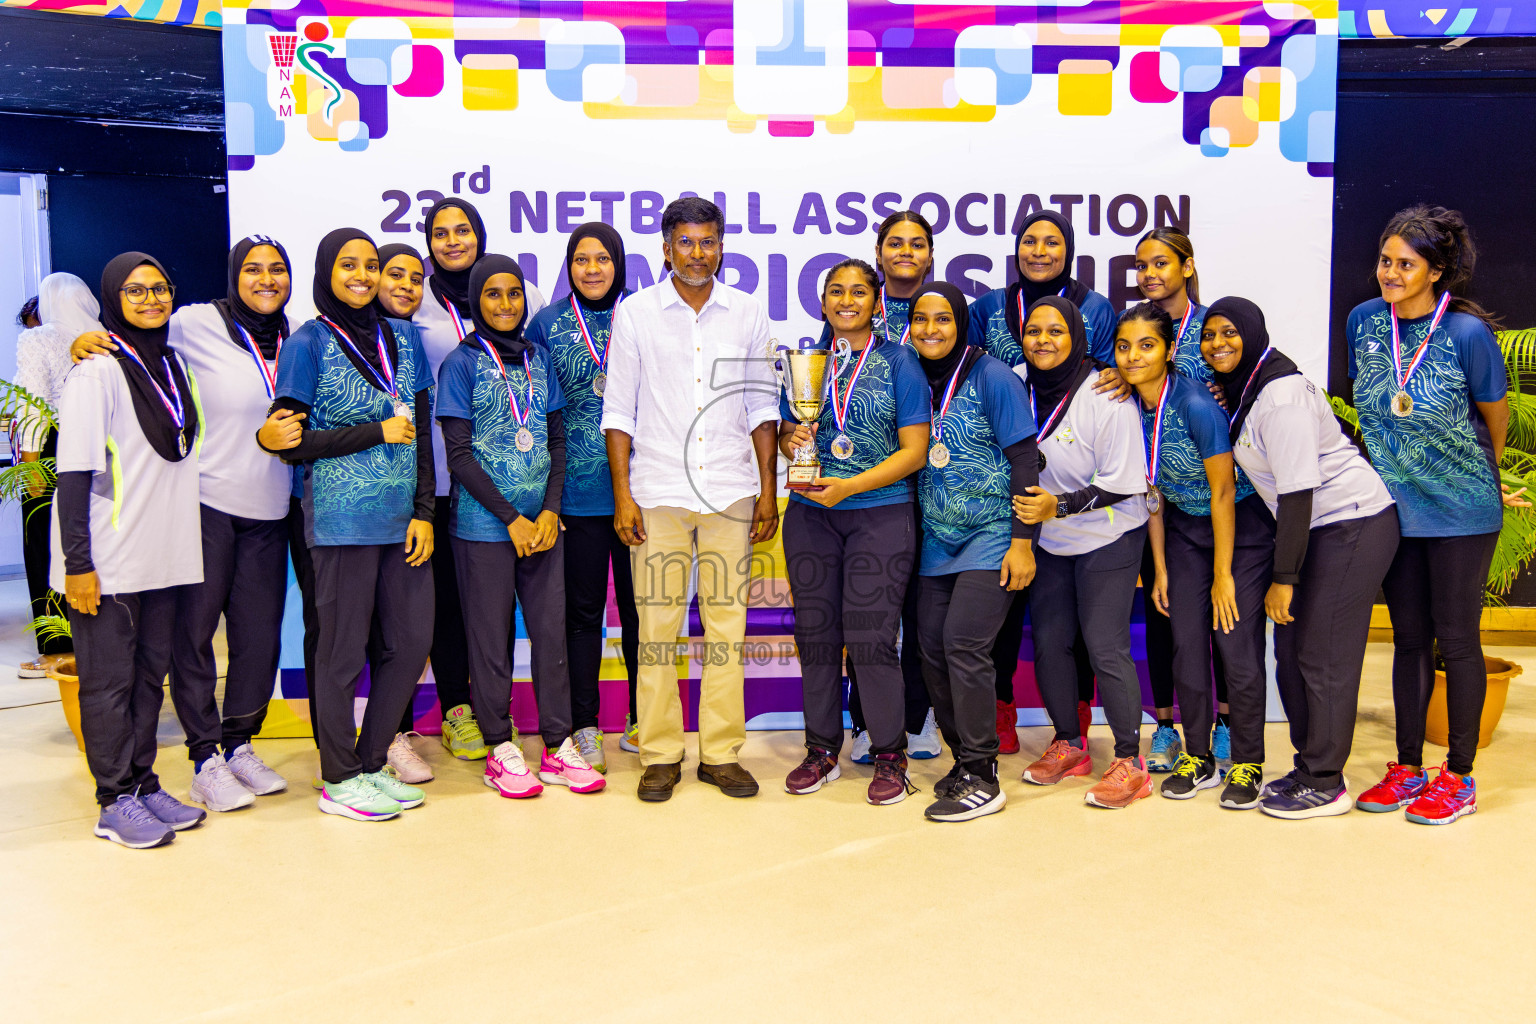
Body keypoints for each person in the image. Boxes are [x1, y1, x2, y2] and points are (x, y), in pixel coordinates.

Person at [601, 196, 780, 803]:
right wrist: (624, 497)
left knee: (727, 629)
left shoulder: (748, 313)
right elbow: (618, 411)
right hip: (658, 493)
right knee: (656, 631)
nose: (698, 254)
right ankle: (659, 755)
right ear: (667, 247)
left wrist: (767, 491)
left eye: (708, 242)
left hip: (731, 488)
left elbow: (762, 406)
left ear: (721, 246)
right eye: (686, 243)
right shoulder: (636, 314)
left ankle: (722, 754)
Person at [1348, 206, 1520, 825]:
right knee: (1408, 641)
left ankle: (1460, 776)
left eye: (1405, 264)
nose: (1389, 273)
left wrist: (1482, 474)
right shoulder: (1364, 322)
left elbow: (1492, 414)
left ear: (1437, 271)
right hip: (1393, 509)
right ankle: (1407, 767)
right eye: (1385, 261)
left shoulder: (1467, 335)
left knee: (1458, 641)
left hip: (1461, 513)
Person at [1200, 297, 1399, 820]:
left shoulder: (1281, 395)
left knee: (1321, 654)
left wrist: (1282, 578)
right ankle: (1310, 764)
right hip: (1320, 529)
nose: (1219, 343)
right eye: (1209, 335)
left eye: (1229, 333)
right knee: (1291, 652)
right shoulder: (1254, 388)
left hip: (1351, 524)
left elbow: (1298, 493)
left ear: (1253, 333)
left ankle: (1328, 781)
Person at [265, 227, 435, 821]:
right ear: (326, 272)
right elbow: (289, 442)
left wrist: (424, 510)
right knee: (340, 655)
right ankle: (338, 777)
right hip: (339, 523)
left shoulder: (404, 339)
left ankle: (367, 762)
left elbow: (421, 437)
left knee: (412, 640)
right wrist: (373, 432)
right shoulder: (307, 343)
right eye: (348, 265)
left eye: (370, 265)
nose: (361, 275)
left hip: (402, 522)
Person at [54, 253, 206, 848]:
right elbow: (73, 473)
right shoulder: (97, 371)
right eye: (136, 291)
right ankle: (112, 798)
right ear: (114, 297)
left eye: (160, 289)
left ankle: (142, 782)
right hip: (109, 559)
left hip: (164, 554)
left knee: (148, 679)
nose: (150, 300)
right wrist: (77, 565)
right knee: (108, 683)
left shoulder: (174, 364)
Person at [439, 254, 603, 798]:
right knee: (490, 639)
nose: (506, 304)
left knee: (551, 633)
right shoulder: (461, 364)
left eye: (514, 294)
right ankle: (498, 747)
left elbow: (557, 441)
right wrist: (510, 518)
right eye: (493, 295)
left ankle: (558, 747)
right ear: (476, 301)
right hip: (485, 528)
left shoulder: (539, 358)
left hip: (543, 527)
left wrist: (550, 512)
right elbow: (459, 456)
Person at [778, 259, 930, 805]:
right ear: (823, 303)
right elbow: (786, 434)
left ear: (875, 301)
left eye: (858, 291)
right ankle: (821, 750)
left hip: (880, 515)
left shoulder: (900, 362)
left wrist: (851, 487)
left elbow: (915, 452)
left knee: (870, 638)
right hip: (810, 514)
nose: (847, 300)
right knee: (816, 637)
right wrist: (792, 441)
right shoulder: (805, 362)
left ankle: (890, 755)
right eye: (836, 292)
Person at [1117, 303, 1275, 807]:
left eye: (1146, 346)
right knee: (1185, 643)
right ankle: (1200, 755)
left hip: (1239, 529)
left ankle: (1247, 761)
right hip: (1182, 528)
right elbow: (1153, 495)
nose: (1134, 356)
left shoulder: (1194, 403)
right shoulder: (1132, 407)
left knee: (1234, 644)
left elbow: (1224, 490)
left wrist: (1223, 574)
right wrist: (1161, 567)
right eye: (1124, 346)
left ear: (1168, 350)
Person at [414, 198, 546, 762]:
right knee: (446, 606)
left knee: (489, 611)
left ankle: (499, 713)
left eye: (462, 230)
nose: (452, 241)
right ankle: (457, 711)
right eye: (440, 233)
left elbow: (536, 369)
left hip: (499, 488)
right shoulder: (412, 295)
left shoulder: (524, 295)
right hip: (435, 480)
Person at [1014, 297, 1152, 809]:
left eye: (1056, 331)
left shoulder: (1104, 392)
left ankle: (1129, 759)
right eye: (1034, 331)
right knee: (1051, 642)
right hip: (1050, 535)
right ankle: (1070, 743)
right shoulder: (1016, 384)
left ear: (1076, 338)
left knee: (1104, 643)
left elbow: (1123, 484)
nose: (1043, 340)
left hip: (1109, 533)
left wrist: (1059, 505)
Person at [908, 282, 1038, 822]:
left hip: (991, 532)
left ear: (961, 323)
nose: (931, 330)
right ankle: (964, 759)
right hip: (939, 537)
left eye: (942, 319)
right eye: (921, 319)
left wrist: (1022, 543)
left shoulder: (992, 376)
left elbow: (1026, 460)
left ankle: (985, 775)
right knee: (932, 648)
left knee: (964, 642)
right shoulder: (912, 376)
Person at [526, 223, 640, 771]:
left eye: (602, 259)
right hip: (575, 499)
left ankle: (646, 718)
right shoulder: (546, 324)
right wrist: (546, 497)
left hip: (642, 493)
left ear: (618, 263)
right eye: (580, 259)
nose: (592, 269)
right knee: (582, 616)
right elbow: (534, 409)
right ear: (568, 266)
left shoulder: (641, 316)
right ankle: (585, 725)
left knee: (646, 613)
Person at [837, 211, 942, 762]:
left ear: (930, 254)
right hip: (875, 491)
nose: (906, 251)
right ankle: (864, 722)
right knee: (866, 616)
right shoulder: (851, 322)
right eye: (895, 243)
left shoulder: (941, 310)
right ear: (878, 253)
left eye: (917, 244)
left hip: (939, 483)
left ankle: (918, 720)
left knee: (919, 615)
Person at [1130, 226, 1225, 770]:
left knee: (1221, 620)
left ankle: (1229, 724)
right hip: (1155, 499)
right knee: (1163, 614)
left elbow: (1241, 377)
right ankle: (1166, 726)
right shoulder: (1138, 329)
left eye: (1161, 262)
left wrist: (1223, 390)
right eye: (1142, 265)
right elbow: (1117, 375)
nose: (1150, 274)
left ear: (1186, 266)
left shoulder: (1213, 326)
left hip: (1214, 496)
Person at [13, 274, 96, 678]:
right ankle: (94, 645)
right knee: (87, 548)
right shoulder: (105, 336)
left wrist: (30, 466)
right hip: (98, 452)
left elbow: (33, 404)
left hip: (50, 449)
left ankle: (55, 651)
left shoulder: (37, 337)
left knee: (43, 547)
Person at [970, 211, 1118, 367]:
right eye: (1029, 242)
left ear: (1068, 250)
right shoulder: (992, 305)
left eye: (1052, 243)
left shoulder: (1095, 308)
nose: (1038, 252)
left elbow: (1107, 376)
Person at [375, 243, 426, 320]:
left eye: (416, 280)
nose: (408, 286)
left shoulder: (424, 331)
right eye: (396, 275)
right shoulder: (353, 330)